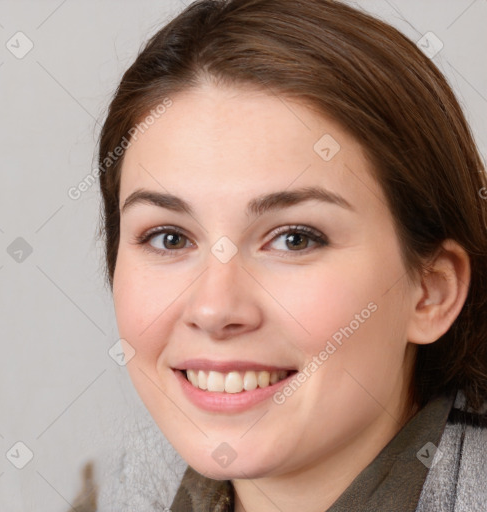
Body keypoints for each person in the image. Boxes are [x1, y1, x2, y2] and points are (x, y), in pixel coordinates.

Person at [93, 0, 487, 510]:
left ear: (430, 291)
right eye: (170, 237)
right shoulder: (119, 488)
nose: (214, 309)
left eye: (294, 238)